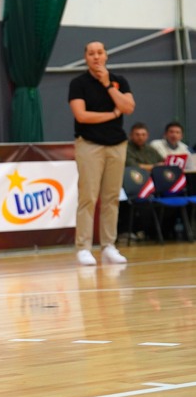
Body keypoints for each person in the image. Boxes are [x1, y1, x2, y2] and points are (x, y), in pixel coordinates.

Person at [68, 41, 135, 266]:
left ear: (106, 55)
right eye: (91, 53)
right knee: (88, 197)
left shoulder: (119, 80)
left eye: (99, 53)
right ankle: (83, 248)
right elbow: (82, 116)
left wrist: (108, 85)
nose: (96, 57)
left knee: (112, 198)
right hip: (89, 145)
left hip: (117, 145)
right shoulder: (78, 83)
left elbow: (128, 107)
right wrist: (113, 114)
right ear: (86, 57)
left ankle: (109, 246)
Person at [119, 122, 164, 240]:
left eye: (143, 134)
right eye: (137, 134)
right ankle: (126, 231)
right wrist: (154, 166)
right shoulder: (126, 148)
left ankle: (154, 232)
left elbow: (163, 163)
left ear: (147, 136)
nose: (140, 137)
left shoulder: (151, 149)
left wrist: (152, 167)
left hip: (152, 183)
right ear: (131, 135)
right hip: (131, 184)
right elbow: (133, 166)